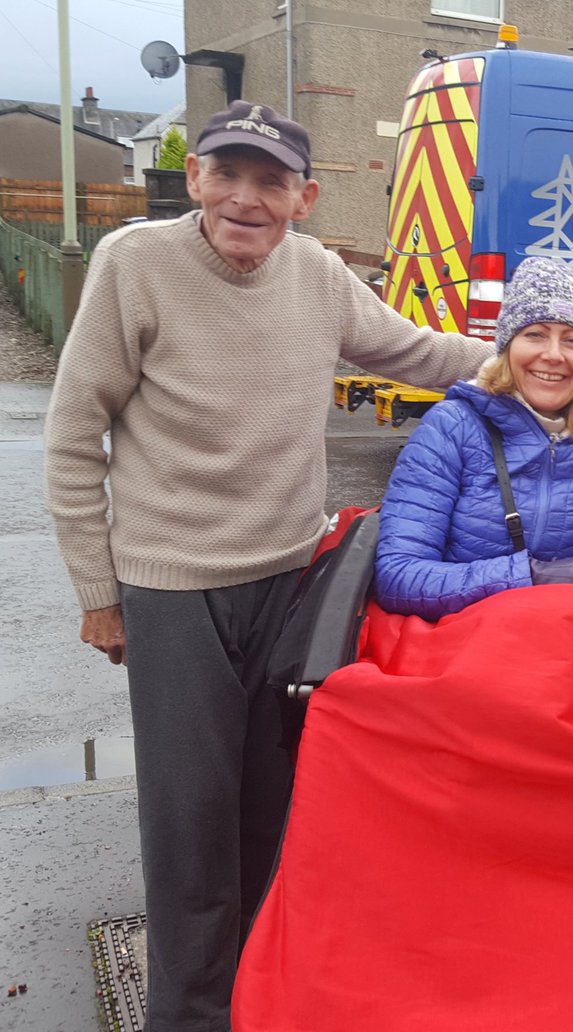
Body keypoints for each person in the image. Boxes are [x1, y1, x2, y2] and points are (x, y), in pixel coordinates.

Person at [42, 100, 496, 1031]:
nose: (247, 199)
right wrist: (98, 593)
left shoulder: (318, 276)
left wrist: (524, 363)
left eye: (271, 181)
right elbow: (71, 435)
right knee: (190, 825)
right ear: (197, 179)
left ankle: (257, 991)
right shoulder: (136, 265)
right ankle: (189, 1014)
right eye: (229, 175)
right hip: (174, 592)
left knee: (271, 811)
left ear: (304, 196)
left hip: (292, 584)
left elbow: (414, 350)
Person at [375, 256, 573, 620]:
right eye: (535, 335)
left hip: (569, 633)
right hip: (463, 641)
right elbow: (398, 574)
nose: (553, 355)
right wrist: (530, 576)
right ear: (507, 348)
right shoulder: (450, 429)